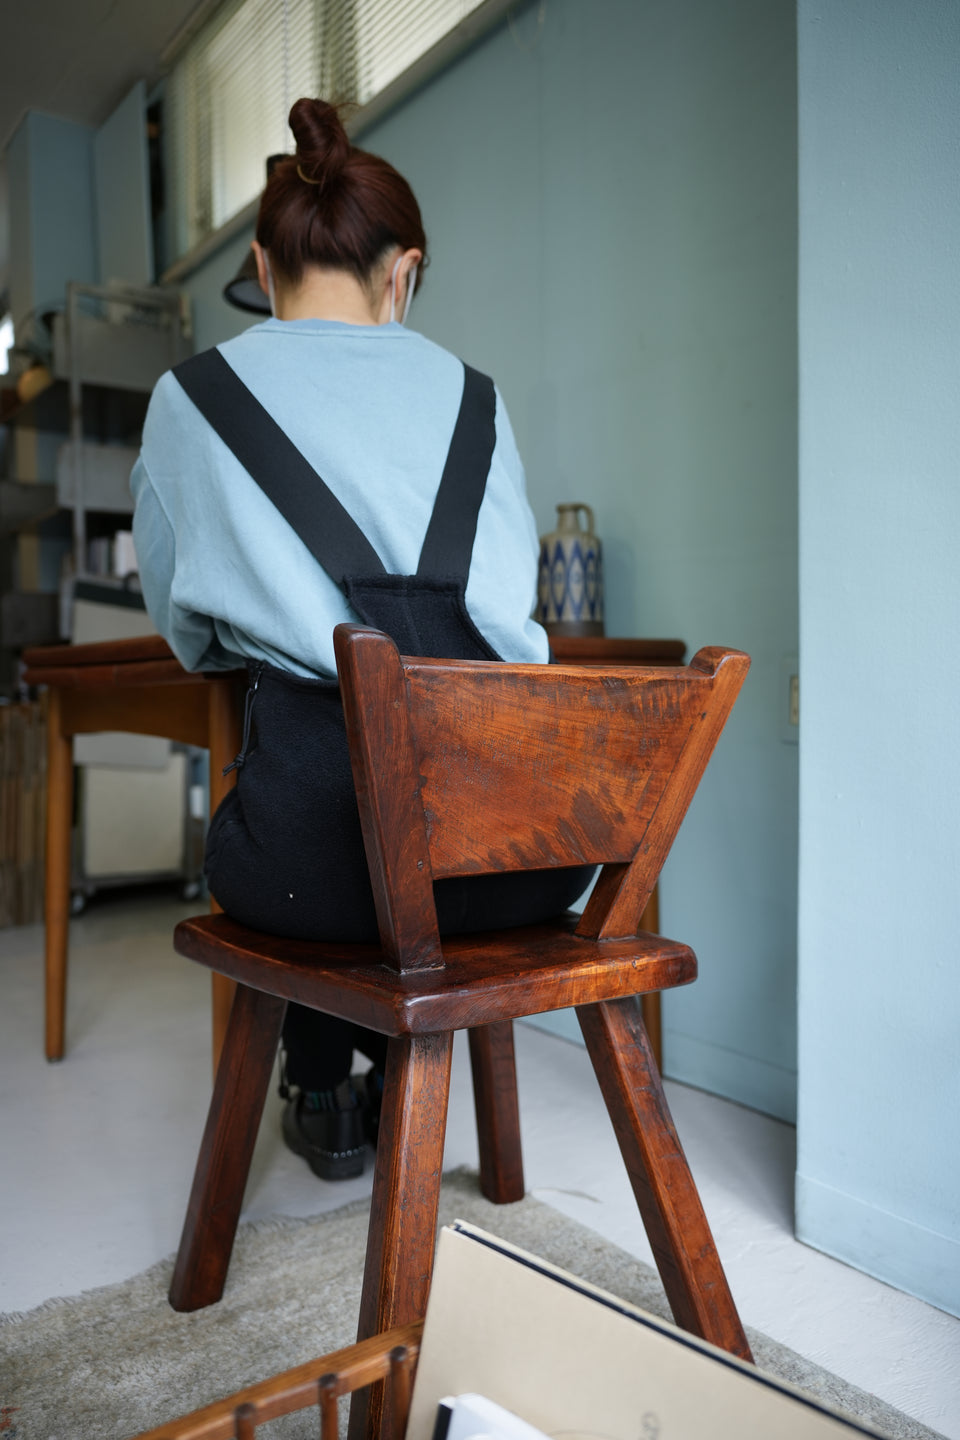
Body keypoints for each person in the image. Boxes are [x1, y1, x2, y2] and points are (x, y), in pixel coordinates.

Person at [130, 98, 591, 1183]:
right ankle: (377, 1063)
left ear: (261, 262)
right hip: (520, 852)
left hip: (315, 870)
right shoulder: (477, 397)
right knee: (417, 838)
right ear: (404, 273)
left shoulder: (189, 399)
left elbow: (189, 633)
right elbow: (508, 614)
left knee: (311, 814)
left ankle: (323, 1079)